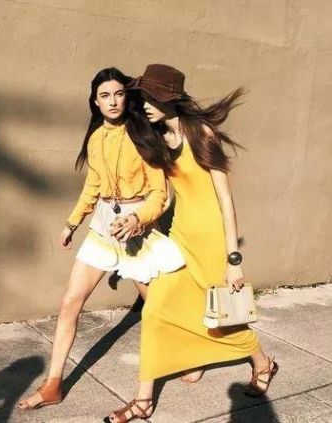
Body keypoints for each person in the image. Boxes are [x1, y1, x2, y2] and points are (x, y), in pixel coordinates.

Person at [106, 64, 279, 422]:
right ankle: (143, 400)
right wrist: (138, 222)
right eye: (143, 98)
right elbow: (167, 196)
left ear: (170, 99)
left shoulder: (201, 133)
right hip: (181, 236)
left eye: (152, 98)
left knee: (225, 316)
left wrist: (233, 259)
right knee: (156, 310)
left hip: (212, 239)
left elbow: (225, 200)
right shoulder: (161, 138)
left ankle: (263, 363)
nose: (145, 105)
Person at [16, 67, 185, 410]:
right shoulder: (95, 139)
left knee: (157, 310)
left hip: (137, 229)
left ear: (126, 97)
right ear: (95, 101)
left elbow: (160, 193)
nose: (113, 101)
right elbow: (92, 187)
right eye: (105, 96)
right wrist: (72, 222)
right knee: (70, 303)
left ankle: (184, 357)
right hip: (103, 228)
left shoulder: (143, 135)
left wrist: (137, 219)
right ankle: (53, 385)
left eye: (119, 94)